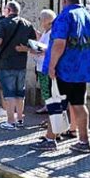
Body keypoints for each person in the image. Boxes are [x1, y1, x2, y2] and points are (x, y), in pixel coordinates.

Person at [40, 0, 90, 153]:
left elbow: (59, 44)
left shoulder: (65, 16)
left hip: (64, 69)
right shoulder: (88, 16)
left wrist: (51, 66)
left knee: (56, 104)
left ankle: (50, 139)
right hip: (81, 70)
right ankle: (84, 141)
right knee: (79, 104)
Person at [0, 1, 36, 130]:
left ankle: (10, 121)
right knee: (20, 93)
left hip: (6, 62)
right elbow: (33, 42)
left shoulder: (3, 23)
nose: (4, 11)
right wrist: (24, 48)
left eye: (5, 9)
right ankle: (20, 119)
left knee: (9, 93)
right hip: (21, 63)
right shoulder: (27, 23)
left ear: (9, 10)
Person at [27, 9, 62, 151]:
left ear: (47, 20)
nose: (40, 20)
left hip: (46, 68)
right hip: (43, 67)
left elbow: (48, 48)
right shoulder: (48, 32)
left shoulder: (53, 32)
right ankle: (53, 128)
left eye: (41, 18)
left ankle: (54, 131)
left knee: (51, 99)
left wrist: (34, 49)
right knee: (50, 99)